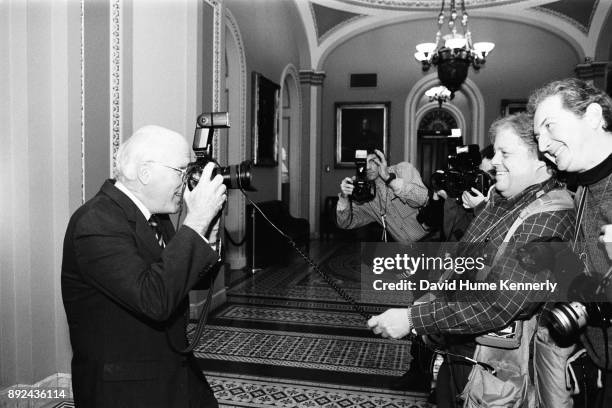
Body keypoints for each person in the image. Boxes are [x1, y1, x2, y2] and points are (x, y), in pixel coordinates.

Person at [367, 112, 575, 407]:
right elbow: (461, 260)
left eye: (505, 153)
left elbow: (500, 304)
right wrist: (429, 302)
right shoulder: (502, 200)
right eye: (495, 151)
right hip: (463, 346)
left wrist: (413, 319)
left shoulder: (549, 218)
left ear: (542, 160)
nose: (493, 162)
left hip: (500, 367)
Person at [61, 125, 227, 407]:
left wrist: (205, 236)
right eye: (181, 172)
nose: (188, 182)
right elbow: (154, 299)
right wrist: (195, 221)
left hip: (174, 369)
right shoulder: (95, 222)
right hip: (126, 389)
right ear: (145, 173)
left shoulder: (156, 217)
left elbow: (185, 279)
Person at [530, 77, 612, 407]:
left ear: (593, 116)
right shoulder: (583, 188)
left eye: (550, 127)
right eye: (537, 137)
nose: (543, 145)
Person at [336, 149, 429, 244]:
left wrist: (389, 179)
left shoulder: (402, 170)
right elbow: (345, 223)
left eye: (372, 161)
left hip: (431, 240)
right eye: (363, 162)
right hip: (405, 250)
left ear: (382, 159)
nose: (367, 167)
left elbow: (421, 199)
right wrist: (344, 197)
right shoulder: (365, 193)